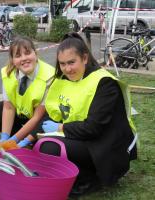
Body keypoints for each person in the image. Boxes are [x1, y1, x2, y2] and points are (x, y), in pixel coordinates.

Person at [30, 32, 137, 196]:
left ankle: (91, 178)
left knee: (49, 146)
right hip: (82, 135)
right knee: (39, 143)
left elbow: (93, 129)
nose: (67, 69)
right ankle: (71, 173)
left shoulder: (104, 83)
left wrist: (60, 128)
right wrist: (24, 139)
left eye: (72, 62)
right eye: (62, 64)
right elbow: (51, 114)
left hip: (105, 146)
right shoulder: (64, 80)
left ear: (85, 58)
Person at [0, 36, 55, 147]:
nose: (23, 58)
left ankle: (29, 140)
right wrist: (5, 136)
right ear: (13, 60)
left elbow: (37, 117)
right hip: (23, 113)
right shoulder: (8, 74)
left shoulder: (49, 76)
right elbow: (8, 108)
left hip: (41, 119)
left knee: (44, 141)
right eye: (18, 56)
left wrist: (15, 139)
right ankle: (17, 139)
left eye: (27, 53)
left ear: (35, 54)